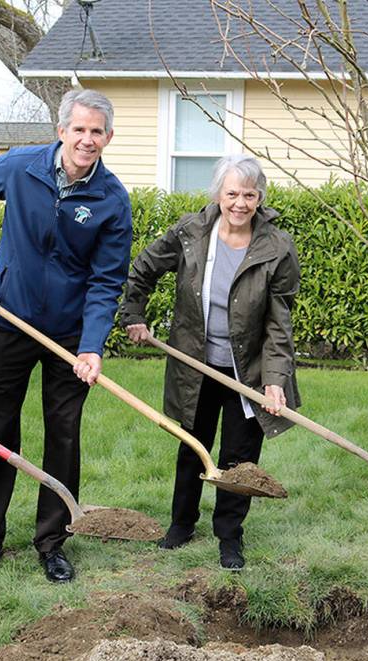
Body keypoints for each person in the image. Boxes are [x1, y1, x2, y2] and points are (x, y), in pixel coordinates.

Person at [0, 89, 133, 583]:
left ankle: (52, 542)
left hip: (69, 337)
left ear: (108, 137)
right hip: (9, 319)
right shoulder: (20, 167)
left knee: (63, 435)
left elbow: (106, 281)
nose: (87, 140)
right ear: (61, 131)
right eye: (79, 129)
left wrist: (92, 345)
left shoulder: (112, 200)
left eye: (97, 131)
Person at [119, 154, 300, 571]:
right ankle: (181, 524)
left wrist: (274, 381)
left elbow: (278, 321)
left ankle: (229, 536)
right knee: (192, 447)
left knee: (240, 458)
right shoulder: (192, 231)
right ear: (218, 194)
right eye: (232, 193)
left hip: (247, 370)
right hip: (195, 363)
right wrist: (134, 315)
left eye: (249, 195)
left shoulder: (276, 247)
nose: (240, 203)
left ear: (260, 198)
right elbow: (144, 268)